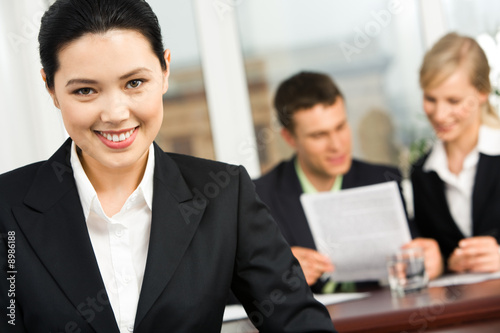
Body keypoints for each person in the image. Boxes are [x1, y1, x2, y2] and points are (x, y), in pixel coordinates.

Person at [0, 1, 337, 332]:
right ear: (51, 88)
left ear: (164, 70)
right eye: (86, 90)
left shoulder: (225, 193)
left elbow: (300, 323)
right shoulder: (6, 209)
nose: (115, 114)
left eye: (134, 83)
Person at [254, 71, 403, 293]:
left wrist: (432, 261)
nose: (336, 145)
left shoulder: (382, 181)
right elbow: (225, 288)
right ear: (289, 138)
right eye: (319, 135)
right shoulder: (259, 197)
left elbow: (414, 255)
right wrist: (275, 273)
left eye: (341, 127)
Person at [408, 32, 500, 278]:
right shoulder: (422, 174)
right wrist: (438, 264)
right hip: (461, 311)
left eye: (453, 100)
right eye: (430, 98)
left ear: (482, 93)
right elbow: (437, 253)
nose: (439, 114)